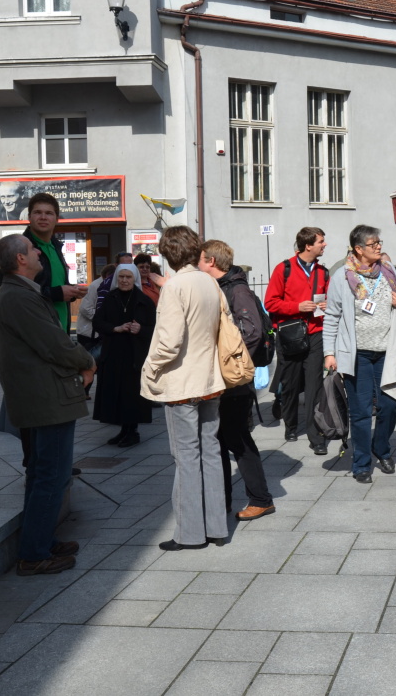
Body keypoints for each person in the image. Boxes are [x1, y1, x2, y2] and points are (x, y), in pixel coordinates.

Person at [0, 234, 95, 576]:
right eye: (32, 249)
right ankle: (34, 554)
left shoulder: (22, 292)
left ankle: (41, 541)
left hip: (44, 395)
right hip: (45, 398)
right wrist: (88, 362)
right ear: (21, 259)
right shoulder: (18, 296)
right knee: (51, 475)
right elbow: (53, 343)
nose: (39, 252)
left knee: (44, 474)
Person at [142, 226, 229, 552]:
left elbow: (169, 342)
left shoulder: (175, 286)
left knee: (187, 458)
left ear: (167, 253)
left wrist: (149, 368)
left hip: (182, 383)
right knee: (211, 452)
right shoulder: (210, 282)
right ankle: (217, 527)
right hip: (210, 379)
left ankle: (190, 533)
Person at [323, 226, 396, 483]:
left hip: (389, 352)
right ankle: (361, 464)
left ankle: (381, 446)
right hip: (358, 355)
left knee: (390, 406)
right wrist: (329, 352)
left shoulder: (389, 272)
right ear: (358, 249)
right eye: (373, 244)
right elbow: (332, 316)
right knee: (361, 412)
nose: (378, 247)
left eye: (379, 242)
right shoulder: (342, 277)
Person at [199, 239, 275, 521]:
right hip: (225, 381)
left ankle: (261, 499)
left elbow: (251, 333)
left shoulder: (237, 290)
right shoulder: (222, 286)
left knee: (237, 439)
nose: (197, 265)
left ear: (211, 262)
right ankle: (223, 501)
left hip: (234, 382)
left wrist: (227, 361)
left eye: (200, 260)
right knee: (222, 439)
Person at [264, 227, 330, 452]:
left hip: (315, 333)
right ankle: (291, 425)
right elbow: (270, 303)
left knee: (314, 386)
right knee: (290, 385)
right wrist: (297, 307)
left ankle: (316, 436)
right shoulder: (284, 269)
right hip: (290, 334)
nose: (324, 244)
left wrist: (326, 305)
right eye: (321, 241)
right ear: (308, 245)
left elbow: (329, 300)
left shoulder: (323, 272)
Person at [92, 263, 155, 448]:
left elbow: (155, 329)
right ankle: (123, 430)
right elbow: (98, 322)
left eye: (128, 277)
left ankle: (132, 431)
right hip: (113, 353)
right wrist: (115, 328)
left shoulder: (144, 300)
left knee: (131, 395)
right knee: (115, 393)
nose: (124, 280)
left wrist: (140, 329)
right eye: (121, 277)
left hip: (134, 355)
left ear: (134, 279)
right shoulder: (110, 298)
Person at [22, 192, 87, 333]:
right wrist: (58, 293)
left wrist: (72, 291)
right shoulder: (21, 248)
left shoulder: (56, 246)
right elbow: (18, 295)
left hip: (60, 331)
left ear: (57, 219)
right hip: (36, 332)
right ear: (29, 217)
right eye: (37, 212)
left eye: (49, 213)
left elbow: (54, 284)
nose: (43, 217)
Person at [77, 263, 116, 397]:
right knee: (88, 362)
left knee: (96, 363)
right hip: (89, 332)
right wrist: (103, 319)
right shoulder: (95, 286)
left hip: (98, 332)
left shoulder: (109, 286)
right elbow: (85, 308)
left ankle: (87, 392)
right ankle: (83, 391)